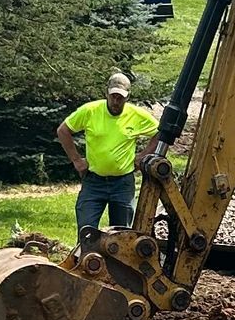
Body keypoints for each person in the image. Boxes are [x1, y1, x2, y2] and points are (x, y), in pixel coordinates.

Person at [59, 70, 160, 249]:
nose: (115, 101)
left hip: (123, 184)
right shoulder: (90, 111)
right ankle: (84, 266)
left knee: (122, 237)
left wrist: (144, 155)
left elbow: (160, 133)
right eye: (113, 96)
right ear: (106, 93)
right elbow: (63, 130)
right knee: (86, 231)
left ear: (127, 97)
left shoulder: (136, 115)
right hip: (94, 182)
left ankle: (118, 274)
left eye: (120, 98)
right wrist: (76, 160)